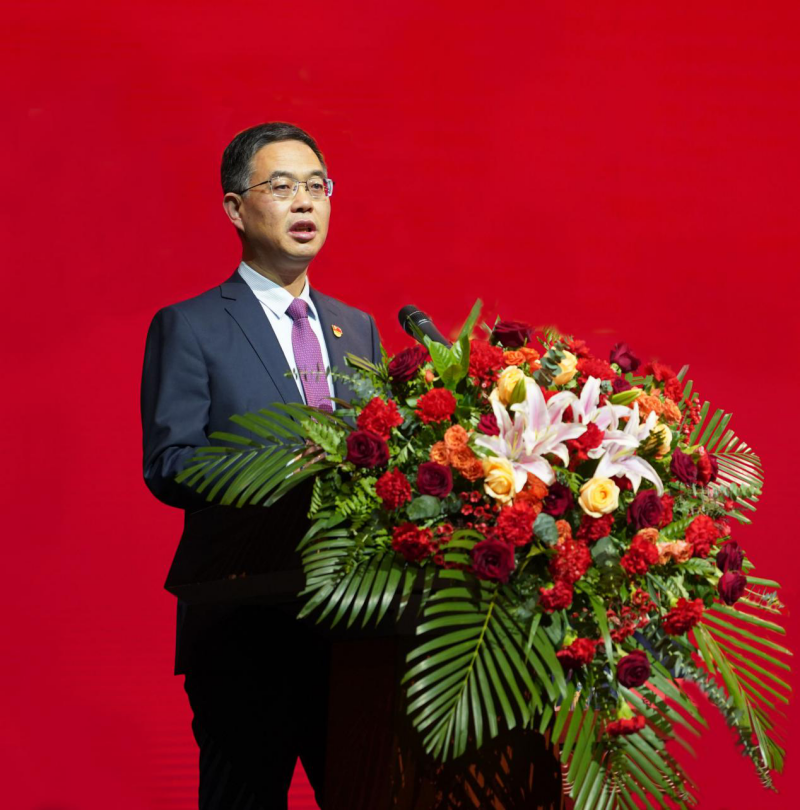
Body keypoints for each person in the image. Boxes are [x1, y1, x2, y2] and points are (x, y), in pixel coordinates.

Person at [140, 122, 381, 809]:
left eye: (317, 187)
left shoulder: (357, 326)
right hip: (242, 623)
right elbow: (171, 462)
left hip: (351, 626)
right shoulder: (191, 326)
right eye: (281, 186)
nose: (305, 202)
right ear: (235, 208)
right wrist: (289, 465)